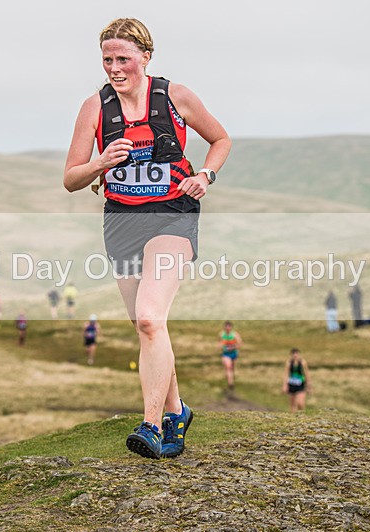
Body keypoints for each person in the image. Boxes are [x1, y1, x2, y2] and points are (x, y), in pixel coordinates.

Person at [64, 18, 231, 459]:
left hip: (172, 217)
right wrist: (101, 163)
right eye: (107, 60)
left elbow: (220, 139)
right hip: (121, 221)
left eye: (123, 59)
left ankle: (152, 425)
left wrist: (206, 175)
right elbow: (70, 178)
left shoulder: (174, 97)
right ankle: (177, 411)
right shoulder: (94, 108)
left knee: (150, 319)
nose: (115, 68)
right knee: (146, 326)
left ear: (146, 57)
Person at [282, 348, 311, 413]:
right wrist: (284, 385)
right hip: (291, 384)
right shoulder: (289, 363)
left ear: (299, 355)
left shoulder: (303, 362)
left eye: (296, 354)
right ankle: (294, 417)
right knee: (292, 403)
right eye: (293, 354)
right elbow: (286, 374)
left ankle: (302, 414)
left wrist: (308, 385)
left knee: (300, 403)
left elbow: (306, 374)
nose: (295, 356)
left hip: (300, 384)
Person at [218, 321, 243, 390]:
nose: (227, 328)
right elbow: (219, 342)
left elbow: (240, 344)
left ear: (231, 327)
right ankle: (230, 384)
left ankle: (231, 379)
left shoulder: (235, 335)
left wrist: (233, 347)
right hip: (225, 354)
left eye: (229, 327)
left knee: (232, 368)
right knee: (228, 367)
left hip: (234, 353)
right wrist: (221, 347)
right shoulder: (221, 334)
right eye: (226, 327)